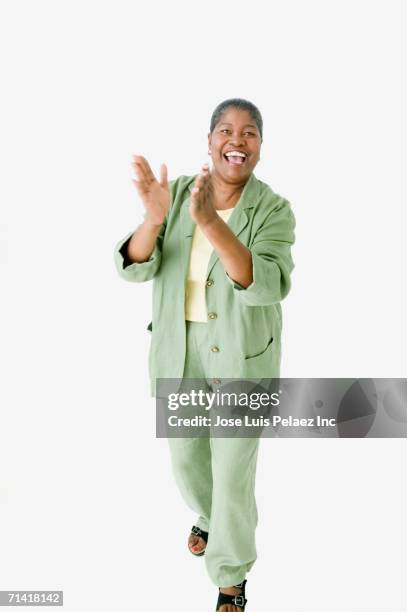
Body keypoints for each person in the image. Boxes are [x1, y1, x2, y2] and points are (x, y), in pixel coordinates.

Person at [113, 98, 296, 611]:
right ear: (210, 140)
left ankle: (231, 576)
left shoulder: (274, 209)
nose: (237, 141)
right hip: (180, 353)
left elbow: (267, 285)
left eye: (250, 133)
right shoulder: (174, 195)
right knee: (188, 462)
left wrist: (210, 223)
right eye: (226, 130)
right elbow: (135, 267)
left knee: (233, 474)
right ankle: (208, 516)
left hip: (241, 360)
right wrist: (153, 220)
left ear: (259, 147)